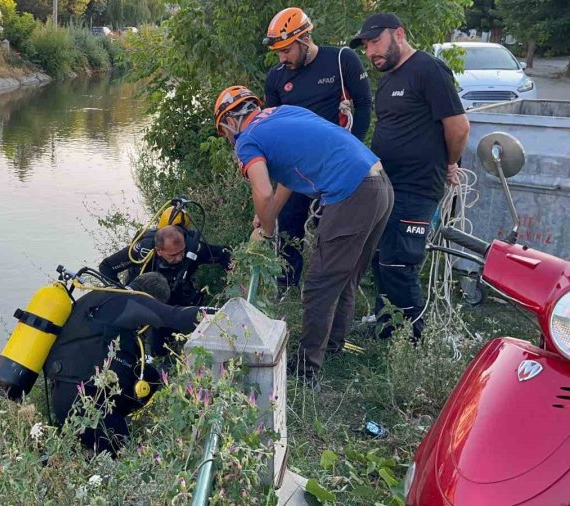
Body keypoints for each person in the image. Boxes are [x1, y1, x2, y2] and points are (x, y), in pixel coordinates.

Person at [213, 85, 393, 389]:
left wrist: (267, 233)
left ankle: (307, 369)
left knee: (319, 285)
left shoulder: (247, 140)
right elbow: (286, 179)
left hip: (350, 192)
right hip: (380, 185)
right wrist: (268, 214)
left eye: (224, 130)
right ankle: (333, 346)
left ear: (230, 121)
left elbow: (263, 189)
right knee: (345, 276)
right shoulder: (282, 114)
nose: (228, 137)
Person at [349, 13, 469, 339]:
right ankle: (386, 328)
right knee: (380, 258)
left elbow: (458, 127)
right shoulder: (388, 78)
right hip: (387, 186)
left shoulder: (428, 70)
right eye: (366, 45)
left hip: (417, 187)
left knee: (399, 265)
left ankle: (414, 344)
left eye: (376, 41)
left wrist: (450, 162)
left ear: (398, 34)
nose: (370, 51)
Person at [262, 7, 373, 287]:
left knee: (332, 233)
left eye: (286, 50)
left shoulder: (340, 60)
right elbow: (270, 126)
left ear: (304, 39)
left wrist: (353, 147)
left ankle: (328, 289)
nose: (282, 57)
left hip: (335, 169)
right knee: (289, 229)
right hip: (295, 172)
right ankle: (286, 290)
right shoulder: (277, 76)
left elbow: (364, 105)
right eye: (278, 52)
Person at [44, 273, 205, 455]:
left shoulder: (101, 296)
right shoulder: (132, 300)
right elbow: (174, 316)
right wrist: (223, 313)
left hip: (64, 394)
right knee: (122, 455)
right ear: (151, 297)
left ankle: (105, 433)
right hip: (86, 402)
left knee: (149, 376)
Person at [98, 225, 232, 306]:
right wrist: (120, 294)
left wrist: (236, 276)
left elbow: (223, 254)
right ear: (159, 250)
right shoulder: (142, 251)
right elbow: (106, 267)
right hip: (142, 298)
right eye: (173, 255)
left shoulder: (192, 248)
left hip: (175, 298)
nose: (179, 258)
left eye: (181, 252)